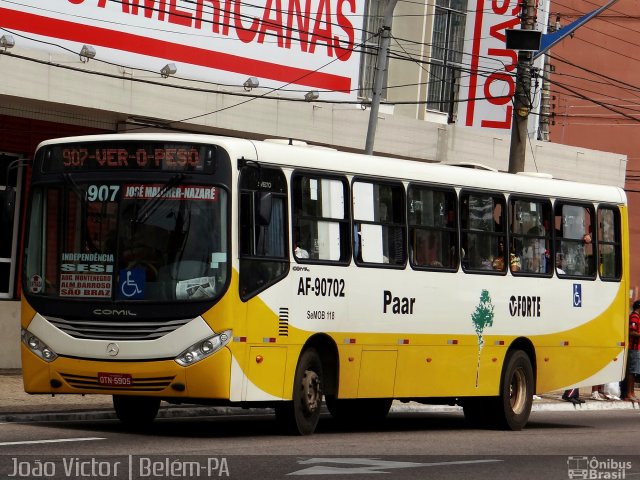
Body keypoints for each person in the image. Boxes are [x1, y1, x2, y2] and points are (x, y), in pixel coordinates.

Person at [624, 300, 640, 402]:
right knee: (631, 371)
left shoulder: (637, 317)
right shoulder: (634, 316)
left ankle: (632, 392)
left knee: (634, 372)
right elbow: (632, 332)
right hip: (633, 348)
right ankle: (629, 393)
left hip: (637, 348)